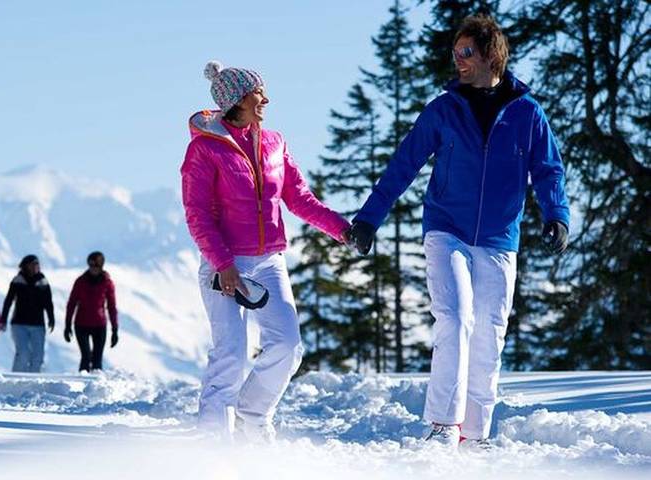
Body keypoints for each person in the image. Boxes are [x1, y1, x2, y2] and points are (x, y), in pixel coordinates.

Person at [347, 15, 569, 451]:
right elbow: (404, 164)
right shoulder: (444, 109)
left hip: (500, 237)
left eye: (466, 52)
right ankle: (443, 424)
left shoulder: (527, 112)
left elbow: (548, 168)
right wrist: (369, 218)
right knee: (455, 315)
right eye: (455, 54)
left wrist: (556, 214)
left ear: (491, 55)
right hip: (446, 229)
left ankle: (476, 432)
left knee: (490, 329)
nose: (458, 61)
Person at [181, 61, 351, 442]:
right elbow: (197, 216)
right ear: (239, 99)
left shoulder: (274, 142)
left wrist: (342, 229)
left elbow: (298, 198)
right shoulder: (204, 150)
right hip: (223, 264)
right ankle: (210, 442)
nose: (266, 99)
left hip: (268, 260)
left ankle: (253, 416)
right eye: (259, 92)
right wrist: (224, 265)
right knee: (231, 353)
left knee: (288, 346)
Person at [64, 251, 118, 372]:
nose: (92, 268)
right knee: (86, 356)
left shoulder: (107, 283)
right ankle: (80, 386)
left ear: (101, 266)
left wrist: (115, 329)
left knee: (97, 359)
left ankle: (95, 388)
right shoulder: (80, 281)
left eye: (95, 265)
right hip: (81, 324)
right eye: (90, 265)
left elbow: (112, 307)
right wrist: (67, 325)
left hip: (99, 325)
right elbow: (71, 303)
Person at [1, 254, 56, 373]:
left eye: (37, 264)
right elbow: (8, 301)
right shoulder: (17, 281)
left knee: (38, 356)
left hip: (38, 325)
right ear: (25, 266)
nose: (35, 267)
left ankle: (33, 381)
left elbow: (48, 303)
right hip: (19, 324)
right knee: (23, 353)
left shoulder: (43, 282)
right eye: (33, 264)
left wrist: (51, 318)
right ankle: (16, 380)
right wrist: (3, 319)